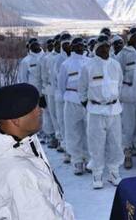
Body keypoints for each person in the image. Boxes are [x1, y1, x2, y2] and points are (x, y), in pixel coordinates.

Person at [0, 83, 74, 219]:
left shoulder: (17, 142)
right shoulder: (18, 175)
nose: (40, 111)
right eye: (34, 107)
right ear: (16, 121)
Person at [78, 34, 124, 189]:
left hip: (114, 110)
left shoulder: (116, 65)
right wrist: (91, 104)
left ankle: (113, 172)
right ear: (96, 48)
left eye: (107, 46)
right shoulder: (88, 67)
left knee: (115, 142)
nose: (105, 49)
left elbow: (120, 85)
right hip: (96, 111)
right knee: (96, 143)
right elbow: (82, 90)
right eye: (102, 47)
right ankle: (97, 174)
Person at [58, 37, 90, 175]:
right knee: (73, 132)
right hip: (72, 101)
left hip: (88, 102)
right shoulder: (66, 64)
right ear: (71, 47)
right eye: (76, 45)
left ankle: (89, 159)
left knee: (89, 132)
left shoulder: (90, 62)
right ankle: (77, 161)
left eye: (81, 45)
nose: (79, 47)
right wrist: (72, 96)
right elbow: (61, 85)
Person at [114, 26, 136, 166]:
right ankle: (127, 152)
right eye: (134, 36)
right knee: (128, 125)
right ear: (129, 38)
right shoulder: (122, 54)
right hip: (127, 93)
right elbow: (117, 76)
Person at [54, 32, 72, 161]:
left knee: (74, 126)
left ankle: (76, 150)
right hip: (62, 97)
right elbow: (57, 80)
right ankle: (67, 149)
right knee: (64, 124)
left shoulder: (78, 57)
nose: (67, 46)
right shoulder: (58, 59)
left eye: (69, 43)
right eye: (65, 44)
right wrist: (64, 94)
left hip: (73, 98)